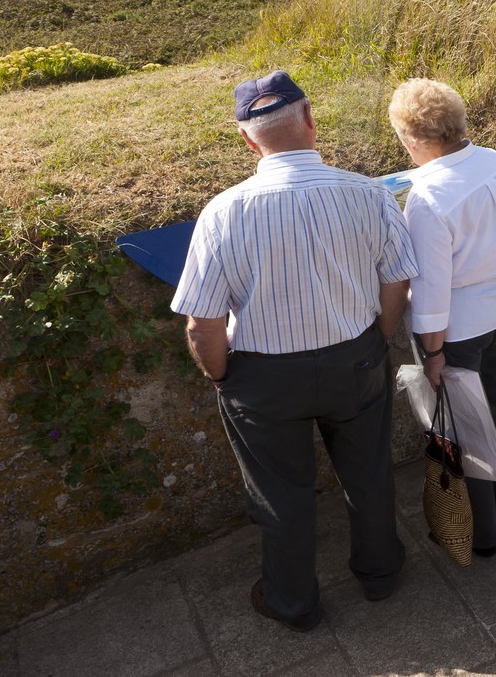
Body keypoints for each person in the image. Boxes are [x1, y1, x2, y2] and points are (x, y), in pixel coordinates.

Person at [172, 70, 419, 631]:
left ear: (246, 139)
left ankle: (293, 602)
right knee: (369, 473)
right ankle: (380, 575)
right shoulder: (367, 193)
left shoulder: (223, 213)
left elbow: (202, 325)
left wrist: (221, 375)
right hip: (355, 359)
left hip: (263, 377)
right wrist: (376, 338)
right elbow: (397, 282)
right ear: (310, 120)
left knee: (282, 495)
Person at [388, 78, 496, 557]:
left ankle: (482, 535)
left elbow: (429, 291)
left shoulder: (425, 200)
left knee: (461, 427)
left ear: (410, 140)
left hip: (462, 328)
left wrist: (432, 353)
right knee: (494, 400)